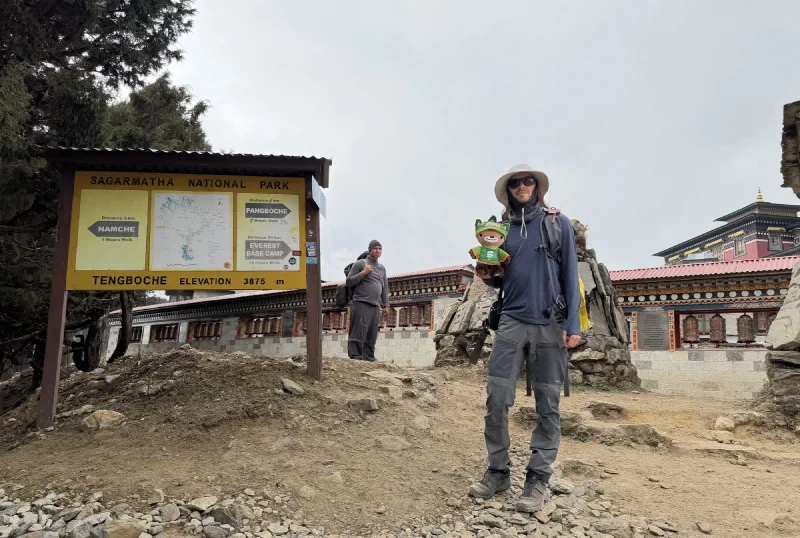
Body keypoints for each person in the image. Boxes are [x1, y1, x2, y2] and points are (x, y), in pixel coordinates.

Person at [468, 164, 582, 513]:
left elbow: (570, 274)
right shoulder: (500, 231)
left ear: (537, 187)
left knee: (548, 404)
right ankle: (498, 471)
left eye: (528, 181)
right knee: (496, 398)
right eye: (515, 183)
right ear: (508, 190)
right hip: (511, 322)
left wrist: (573, 325)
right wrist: (488, 274)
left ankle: (538, 479)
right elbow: (501, 278)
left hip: (550, 323)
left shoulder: (557, 223)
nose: (522, 186)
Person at [345, 240, 389, 361]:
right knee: (359, 329)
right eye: (375, 248)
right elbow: (349, 282)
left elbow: (384, 288)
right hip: (361, 302)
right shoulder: (361, 263)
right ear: (370, 250)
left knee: (372, 332)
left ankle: (368, 356)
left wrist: (386, 305)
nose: (378, 251)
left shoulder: (382, 268)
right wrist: (363, 273)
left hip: (375, 305)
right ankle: (355, 355)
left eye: (380, 249)